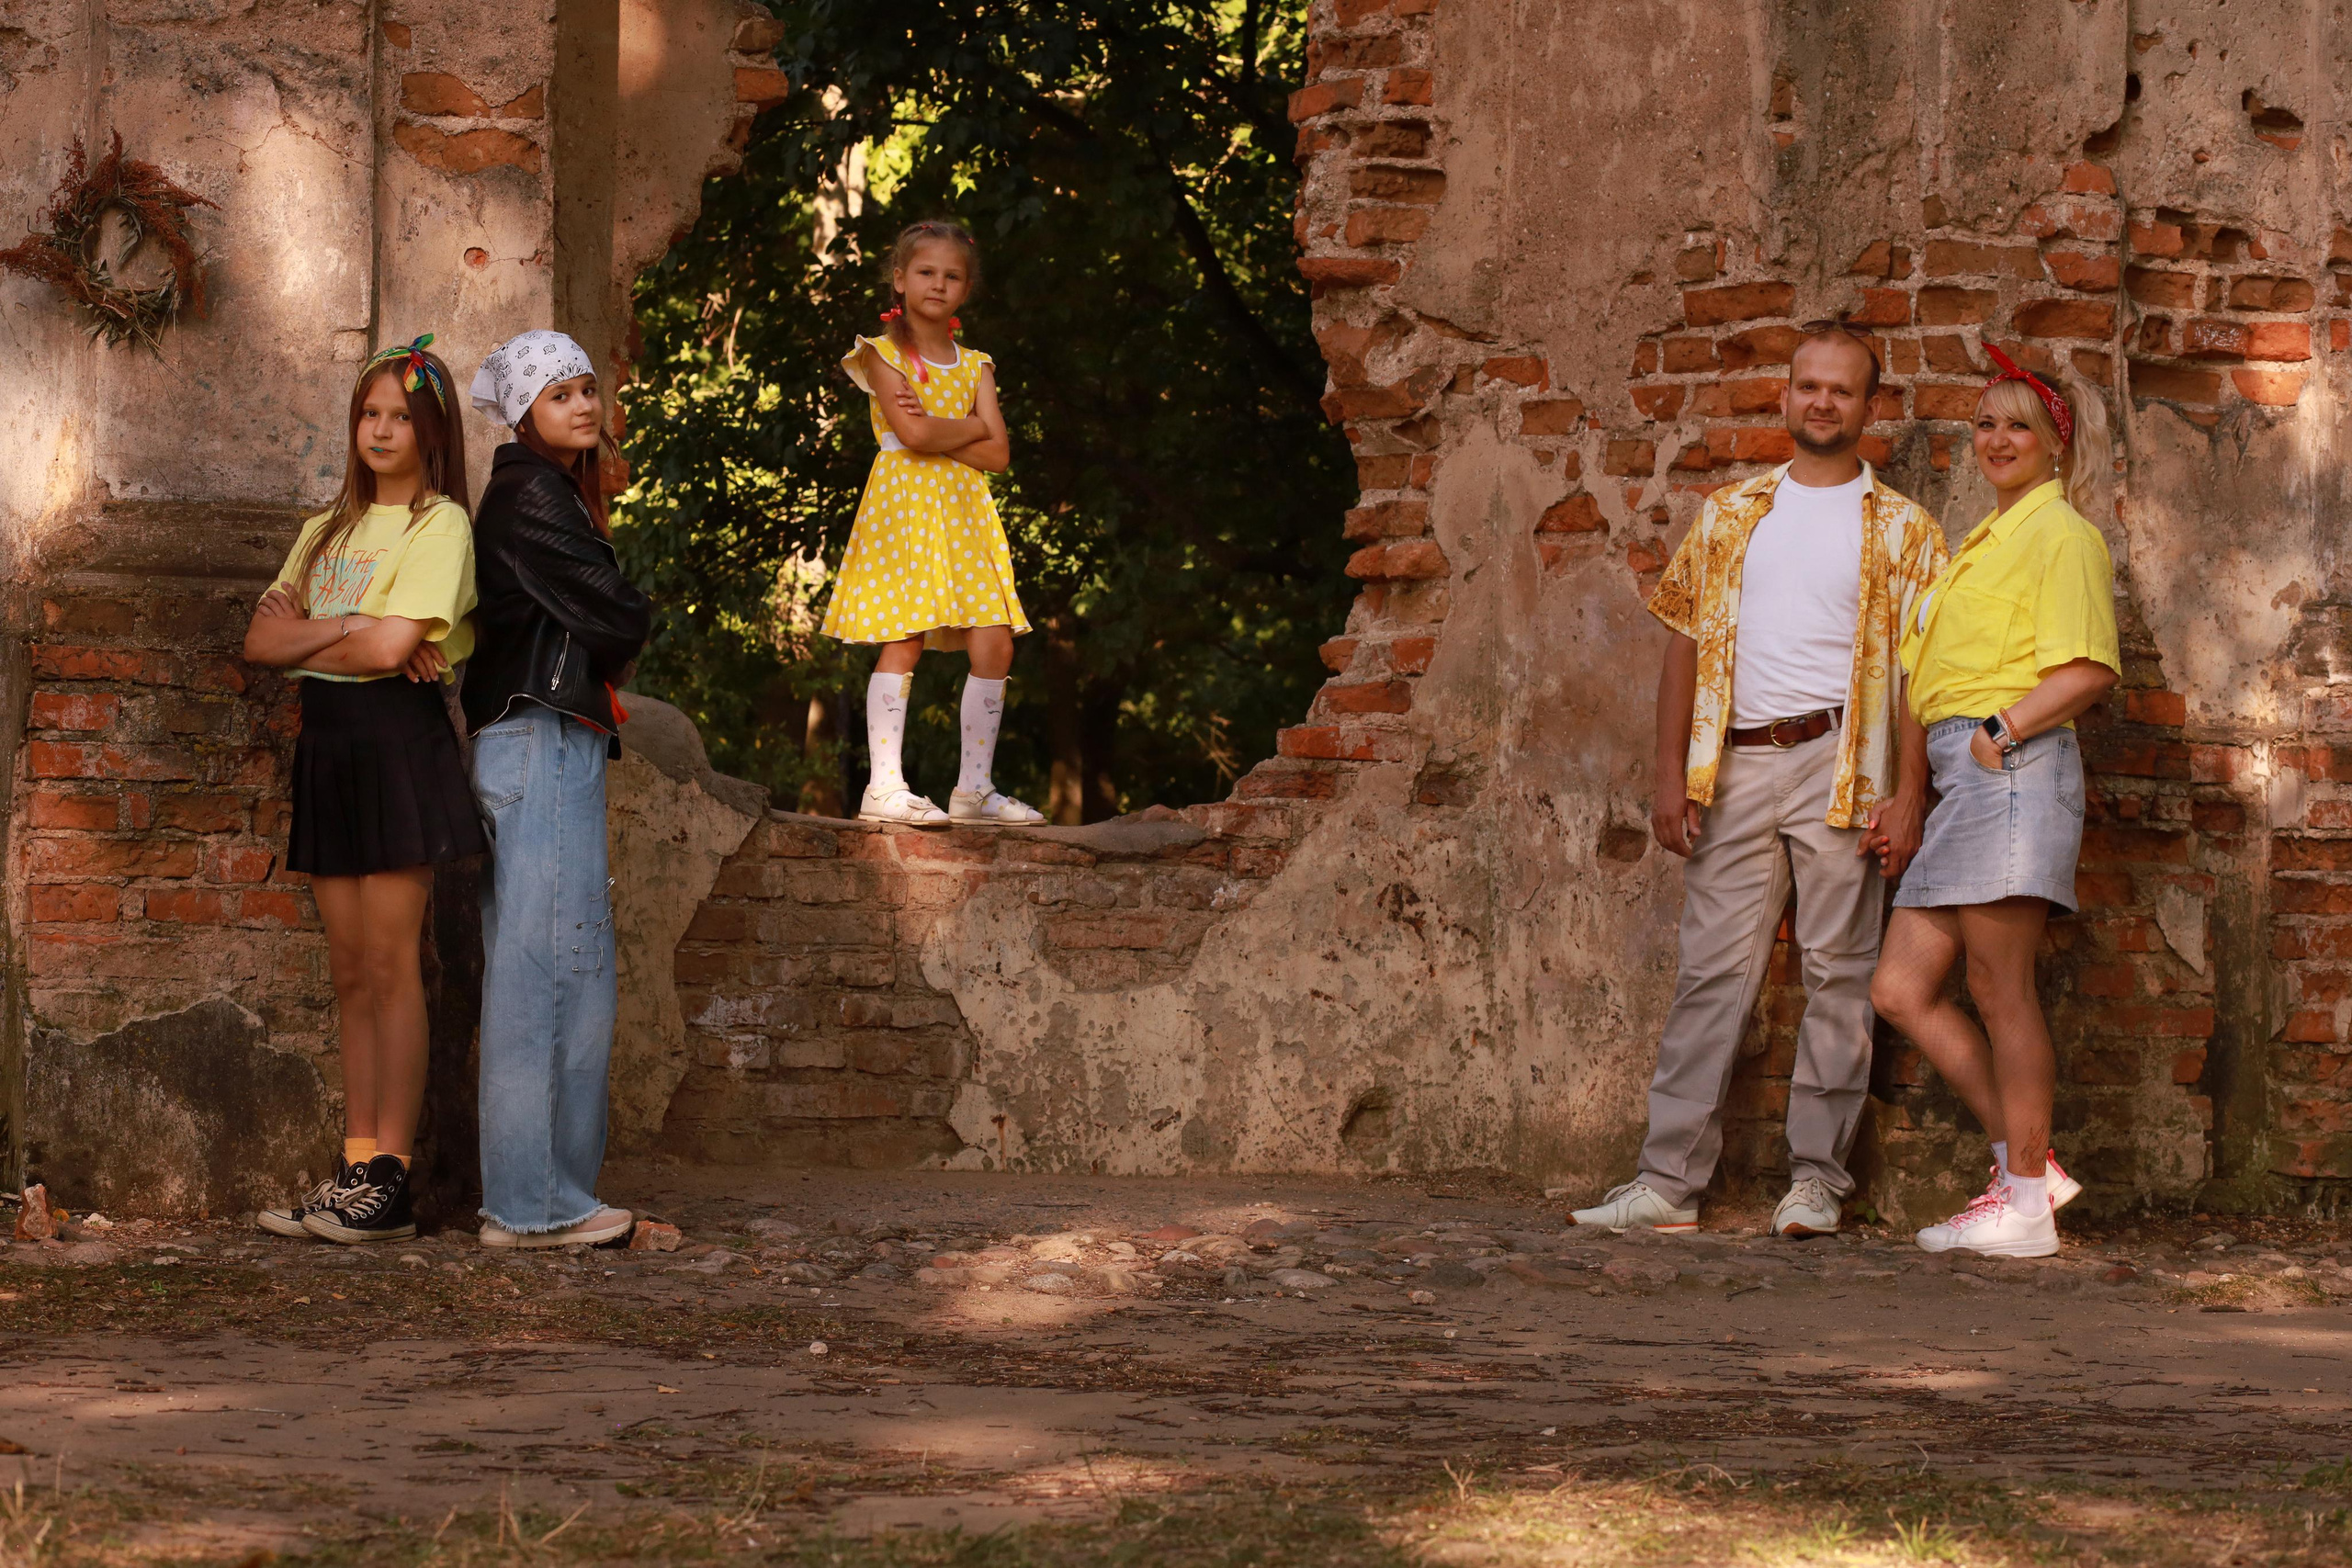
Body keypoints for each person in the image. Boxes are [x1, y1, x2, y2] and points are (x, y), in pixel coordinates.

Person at [1570, 323, 1948, 1239]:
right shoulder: (1732, 513)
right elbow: (1684, 644)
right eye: (1807, 385)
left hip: (1840, 765)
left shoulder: (1904, 530)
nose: (1821, 402)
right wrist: (1669, 775)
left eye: (1841, 390)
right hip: (1732, 764)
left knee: (1838, 974)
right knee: (1710, 976)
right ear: (1786, 396)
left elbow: (1920, 674)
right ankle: (1667, 1184)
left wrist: (1908, 793)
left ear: (1868, 408)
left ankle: (1814, 1183)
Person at [1870, 346, 2118, 1258]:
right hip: (1962, 778)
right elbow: (1919, 679)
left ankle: (2021, 1207)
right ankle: (2031, 1171)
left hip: (2011, 768)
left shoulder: (2062, 535)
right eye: (1985, 422)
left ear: (2057, 441)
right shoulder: (1976, 545)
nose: (1998, 438)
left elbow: (2086, 669)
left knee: (1997, 987)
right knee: (1899, 989)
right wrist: (1913, 788)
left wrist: (2000, 732)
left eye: (2020, 422)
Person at [244, 334, 481, 1245]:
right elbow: (262, 646)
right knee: (349, 974)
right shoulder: (323, 531)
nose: (381, 430)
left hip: (397, 746)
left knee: (392, 967)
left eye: (399, 416)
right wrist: (356, 622)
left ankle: (391, 1174)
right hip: (329, 746)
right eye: (369, 414)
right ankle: (352, 1165)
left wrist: (331, 630)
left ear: (430, 429)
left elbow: (391, 656)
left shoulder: (440, 525)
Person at [462, 330, 652, 1249]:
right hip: (539, 737)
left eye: (586, 389)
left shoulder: (547, 494)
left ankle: (546, 1195)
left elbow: (604, 610)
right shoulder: (529, 496)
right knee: (547, 975)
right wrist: (618, 612)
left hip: (552, 735)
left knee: (566, 971)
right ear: (526, 413)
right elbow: (620, 611)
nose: (581, 405)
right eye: (559, 394)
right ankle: (534, 1206)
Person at [820, 220, 1041, 828]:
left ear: (966, 288)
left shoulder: (977, 365)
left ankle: (974, 790)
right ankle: (884, 788)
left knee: (993, 639)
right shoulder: (882, 353)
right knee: (906, 636)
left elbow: (998, 456)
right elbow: (913, 435)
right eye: (925, 272)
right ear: (900, 279)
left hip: (964, 512)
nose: (938, 284)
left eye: (951, 275)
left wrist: (948, 432)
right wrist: (970, 425)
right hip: (906, 509)